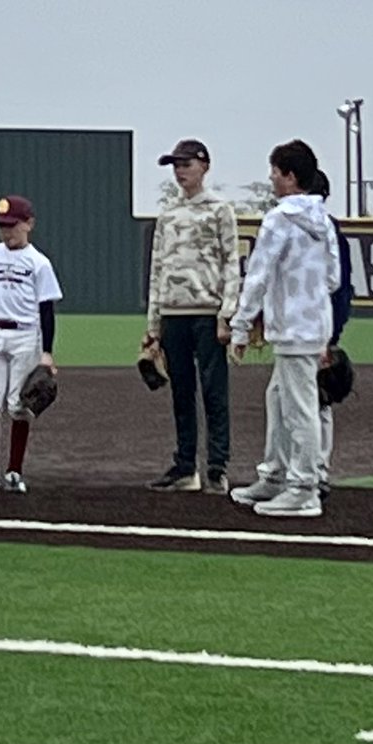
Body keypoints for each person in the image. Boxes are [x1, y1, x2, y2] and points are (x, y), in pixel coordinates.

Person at [228, 139, 340, 518]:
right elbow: (334, 277)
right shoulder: (322, 220)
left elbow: (258, 274)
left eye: (275, 171)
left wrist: (241, 326)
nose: (271, 178)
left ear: (290, 177)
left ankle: (303, 487)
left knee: (298, 408)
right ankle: (275, 475)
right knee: (278, 401)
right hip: (313, 325)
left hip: (293, 328)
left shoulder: (278, 219)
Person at [143, 139, 241, 495]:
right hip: (173, 312)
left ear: (204, 166)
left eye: (186, 164)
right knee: (181, 392)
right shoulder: (167, 214)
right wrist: (153, 324)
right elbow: (158, 268)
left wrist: (227, 312)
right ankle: (186, 466)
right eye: (176, 165)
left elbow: (232, 262)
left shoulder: (220, 210)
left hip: (207, 311)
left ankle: (217, 466)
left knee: (214, 391)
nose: (180, 171)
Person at [0, 195, 63, 495]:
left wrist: (46, 354)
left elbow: (47, 311)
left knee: (19, 406)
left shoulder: (39, 263)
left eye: (12, 225)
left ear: (28, 224)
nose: (6, 232)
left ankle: (14, 471)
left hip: (26, 336)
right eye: (1, 226)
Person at [310, 170, 353, 501]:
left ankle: (318, 471)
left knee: (319, 401)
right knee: (289, 400)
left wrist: (332, 334)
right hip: (297, 329)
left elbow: (340, 288)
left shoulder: (328, 228)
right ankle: (299, 469)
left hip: (318, 330)